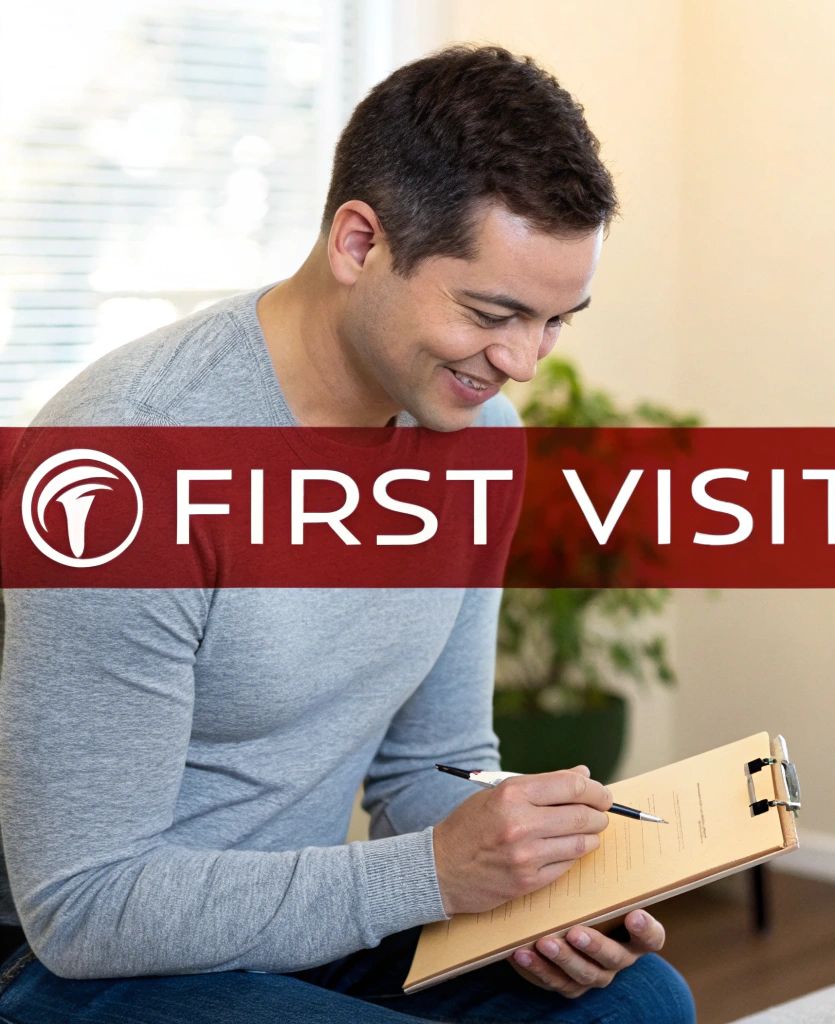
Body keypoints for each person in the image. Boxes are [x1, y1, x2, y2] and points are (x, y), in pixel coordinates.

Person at [0, 46, 694, 1023]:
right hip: (103, 967)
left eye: (554, 322)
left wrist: (534, 878)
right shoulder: (129, 458)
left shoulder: (479, 441)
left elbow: (433, 759)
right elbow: (82, 906)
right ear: (359, 244)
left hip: (311, 929)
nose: (523, 362)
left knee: (636, 1000)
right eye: (493, 313)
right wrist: (435, 875)